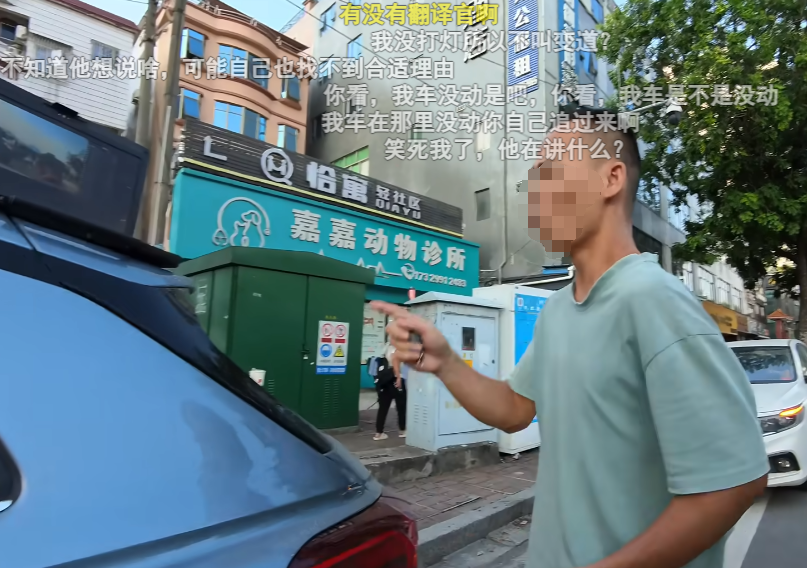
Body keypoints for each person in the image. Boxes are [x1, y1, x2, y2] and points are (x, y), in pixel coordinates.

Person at [372, 107, 768, 568]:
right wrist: (444, 362)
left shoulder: (656, 301)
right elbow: (515, 409)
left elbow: (733, 484)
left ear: (611, 179)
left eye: (550, 171)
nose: (535, 190)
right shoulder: (558, 310)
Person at [372, 343, 406, 441]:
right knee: (401, 406)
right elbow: (395, 361)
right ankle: (402, 430)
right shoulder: (398, 348)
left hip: (384, 380)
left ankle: (379, 433)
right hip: (395, 379)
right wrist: (398, 377)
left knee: (383, 407)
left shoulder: (385, 347)